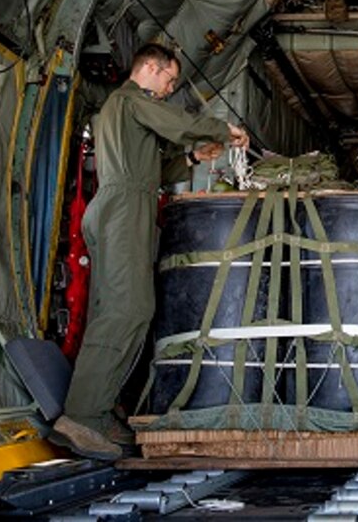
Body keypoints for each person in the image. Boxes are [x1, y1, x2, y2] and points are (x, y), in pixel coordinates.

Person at [52, 43, 249, 460]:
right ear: (151, 68)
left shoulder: (123, 113)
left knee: (132, 310)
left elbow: (155, 170)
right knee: (124, 310)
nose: (170, 88)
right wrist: (220, 129)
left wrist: (195, 155)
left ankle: (100, 411)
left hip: (128, 208)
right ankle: (81, 414)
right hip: (123, 211)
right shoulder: (130, 101)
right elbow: (175, 122)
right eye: (169, 79)